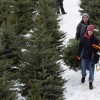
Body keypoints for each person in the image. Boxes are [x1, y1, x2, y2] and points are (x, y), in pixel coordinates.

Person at [76, 25, 99, 90]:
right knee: (83, 68)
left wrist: (95, 47)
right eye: (89, 30)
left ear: (93, 31)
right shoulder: (83, 38)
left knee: (91, 71)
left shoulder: (95, 39)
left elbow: (98, 48)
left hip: (91, 56)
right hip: (84, 56)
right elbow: (80, 47)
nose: (90, 32)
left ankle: (90, 83)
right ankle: (83, 76)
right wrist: (78, 55)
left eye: (91, 31)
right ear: (87, 30)